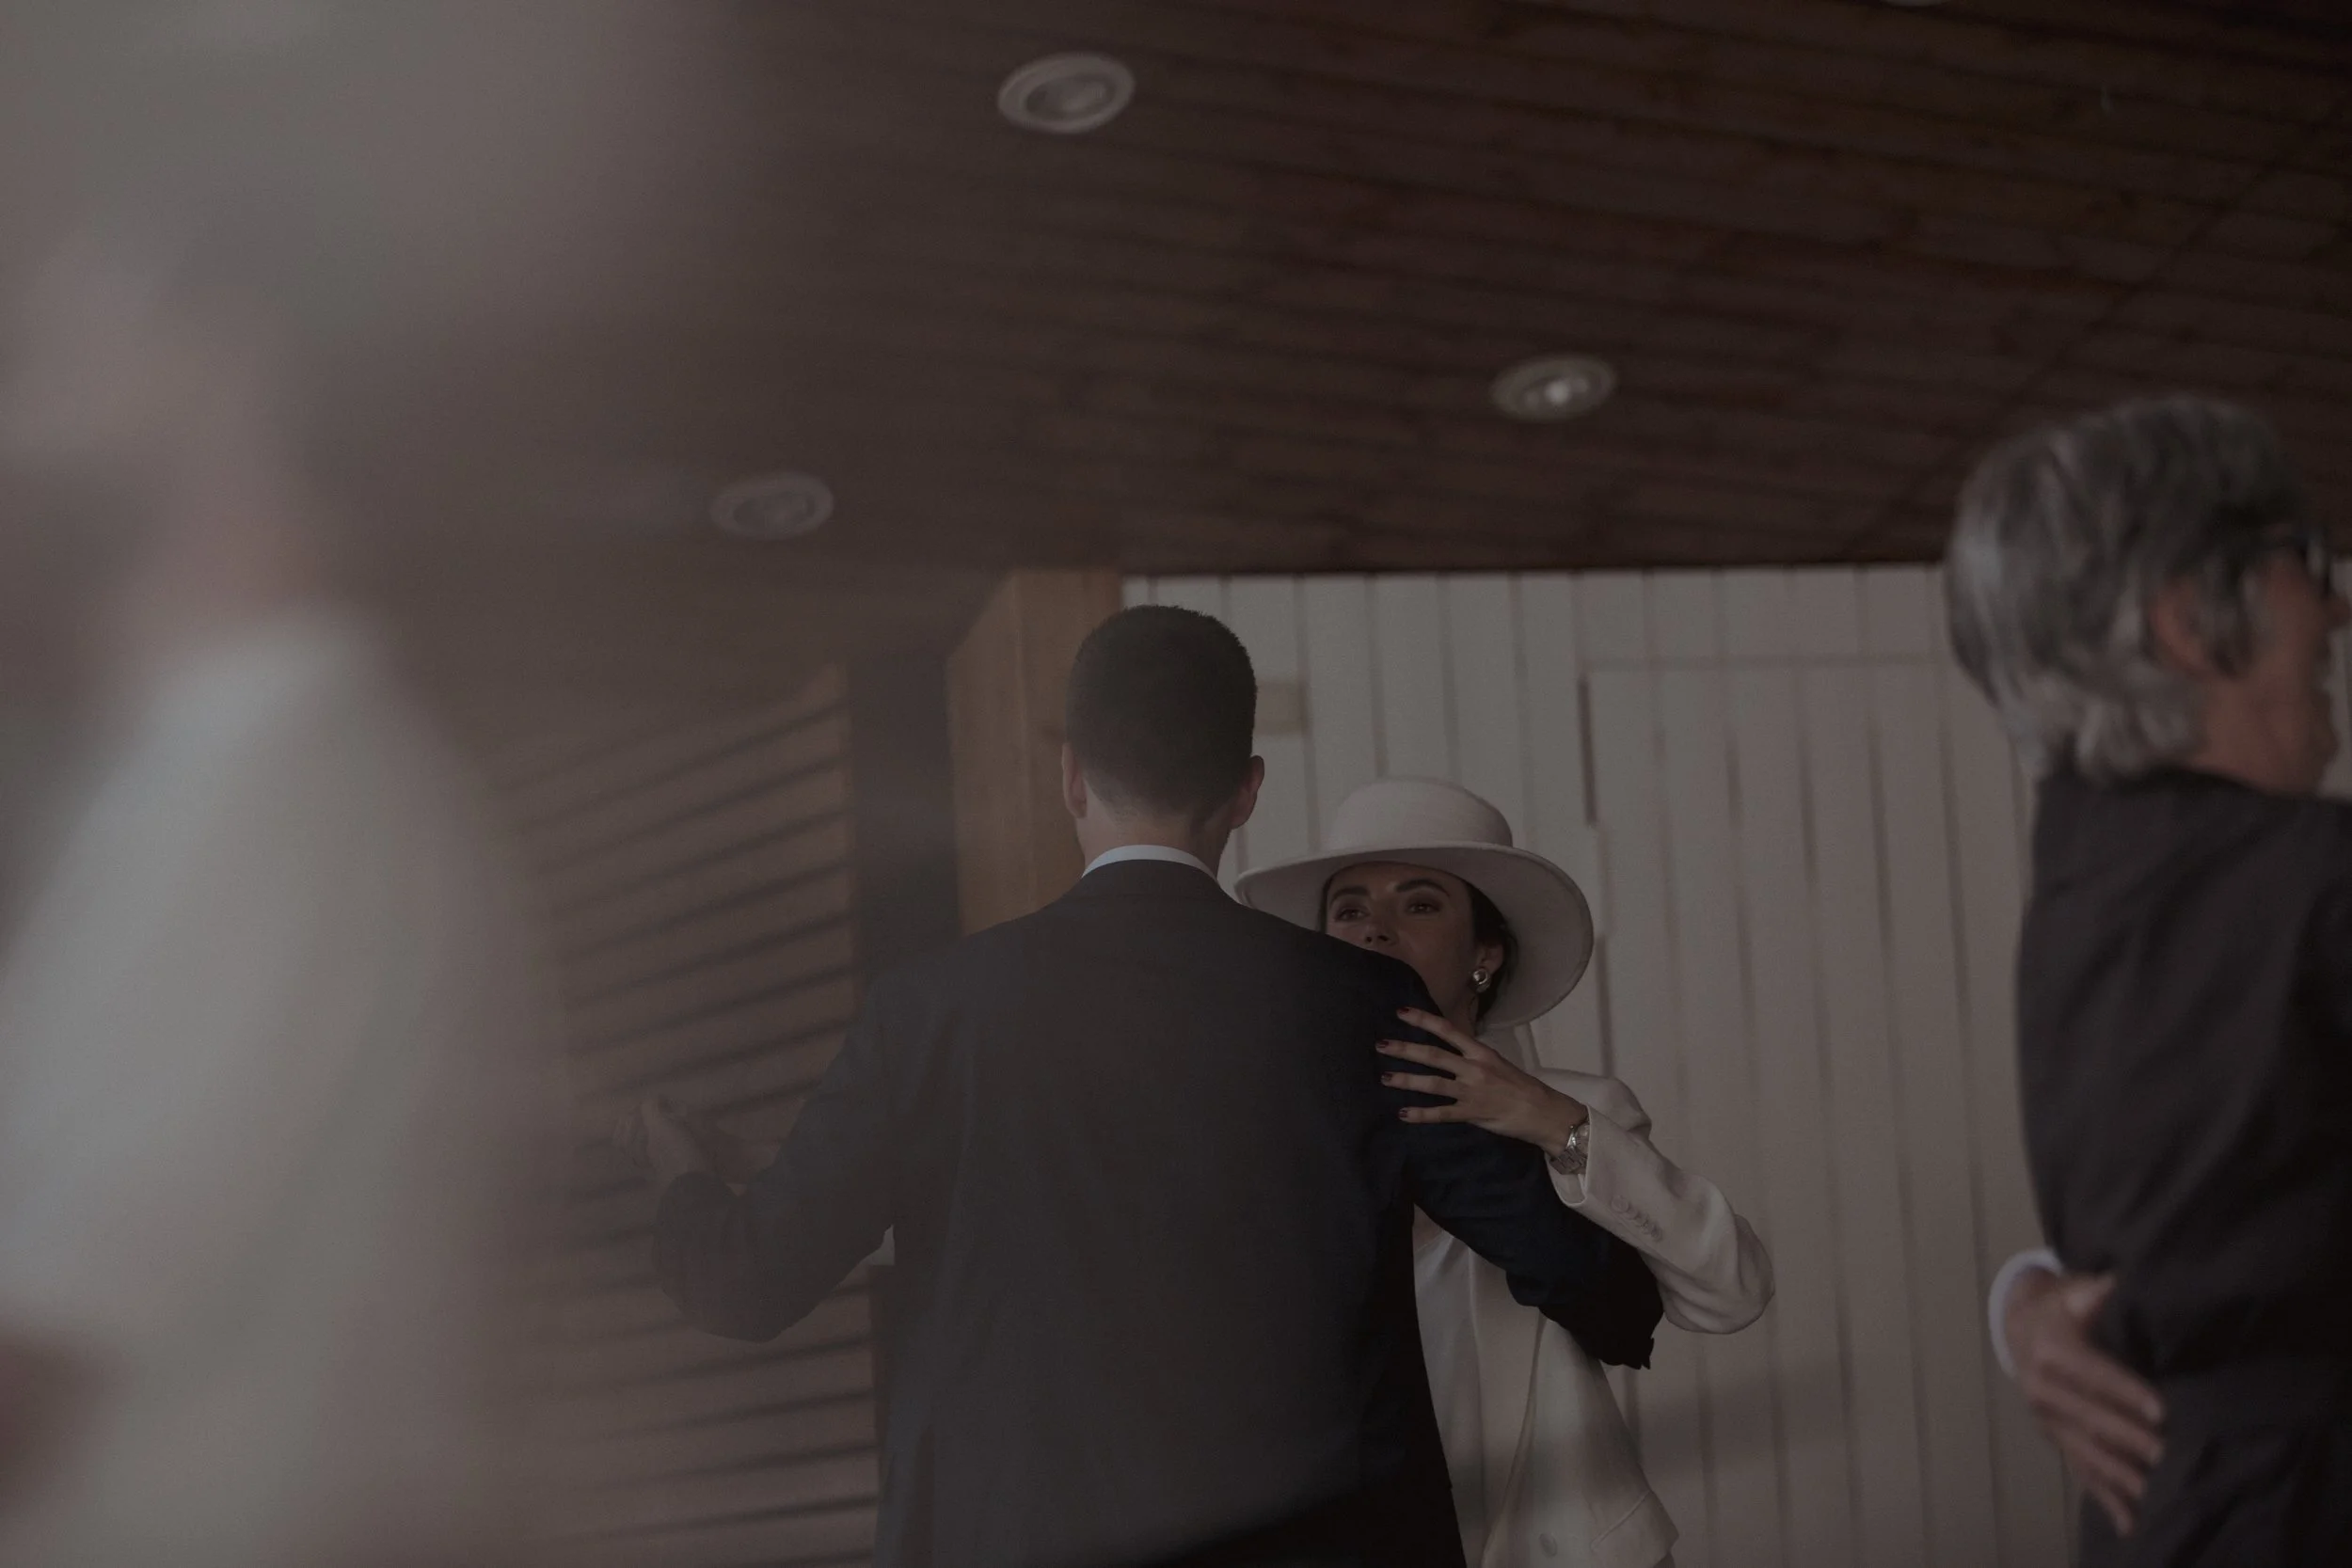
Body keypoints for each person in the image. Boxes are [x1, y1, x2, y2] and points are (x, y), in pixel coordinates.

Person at [617, 606, 1664, 1568]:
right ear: (1246, 790)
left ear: (1071, 777)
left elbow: (745, 1283)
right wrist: (1557, 1135)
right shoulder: (1364, 1006)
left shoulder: (931, 1012)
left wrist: (681, 1176)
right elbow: (1602, 1293)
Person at [0, 213, 560, 1568]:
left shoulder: (261, 782)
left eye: (72, 332)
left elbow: (45, 1350)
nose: (25, 397)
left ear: (228, 373)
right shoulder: (274, 773)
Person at [1945, 393, 2352, 1565]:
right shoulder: (2312, 882)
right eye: (2297, 564)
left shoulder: (2084, 890)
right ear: (2187, 623)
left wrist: (2031, 1296)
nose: (2331, 605)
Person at [1236, 779, 1772, 1568]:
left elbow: (1734, 1290)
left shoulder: (1583, 1110)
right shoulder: (1267, 1129)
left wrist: (1547, 1119)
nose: (1374, 931)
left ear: (1485, 953)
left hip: (1564, 1545)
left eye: (1418, 904)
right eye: (1349, 908)